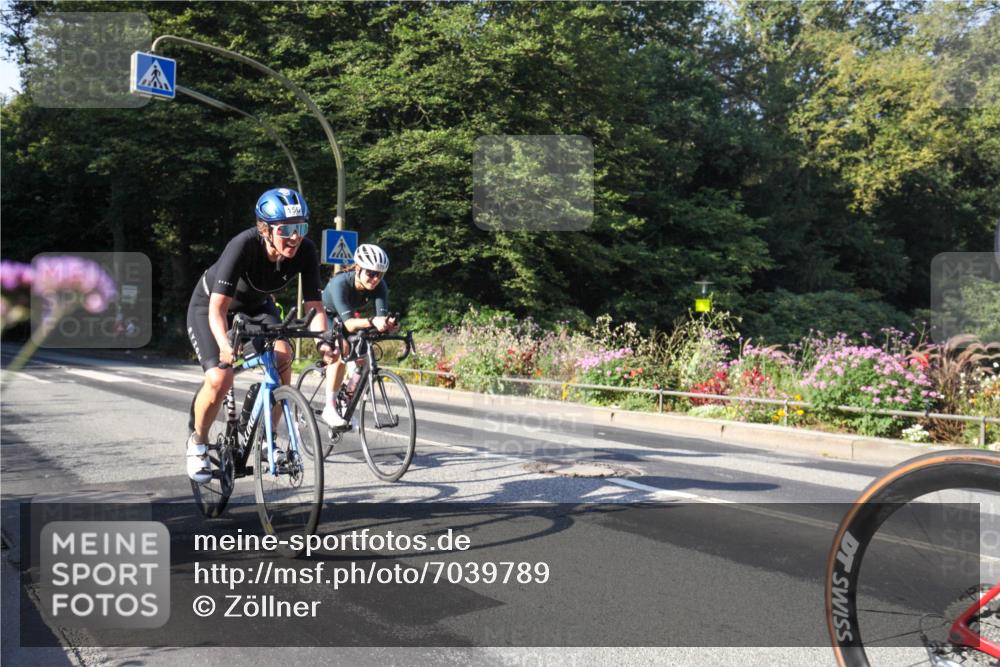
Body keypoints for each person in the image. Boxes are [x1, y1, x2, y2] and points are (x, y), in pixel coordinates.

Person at [185, 187, 337, 482]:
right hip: (212, 307)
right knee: (220, 377)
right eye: (287, 229)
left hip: (256, 306)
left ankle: (268, 438)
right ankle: (198, 443)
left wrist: (324, 341)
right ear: (265, 229)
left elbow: (315, 307)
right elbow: (217, 310)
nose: (295, 237)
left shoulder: (304, 250)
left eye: (301, 227)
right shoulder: (242, 245)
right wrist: (224, 346)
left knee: (283, 356)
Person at [319, 243, 399, 428]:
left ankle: (346, 400)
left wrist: (388, 324)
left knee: (364, 361)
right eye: (370, 273)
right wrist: (373, 321)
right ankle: (329, 408)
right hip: (326, 316)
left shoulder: (380, 286)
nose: (375, 279)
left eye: (379, 274)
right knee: (340, 352)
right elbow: (349, 324)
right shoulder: (340, 283)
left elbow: (380, 318)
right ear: (358, 268)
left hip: (346, 319)